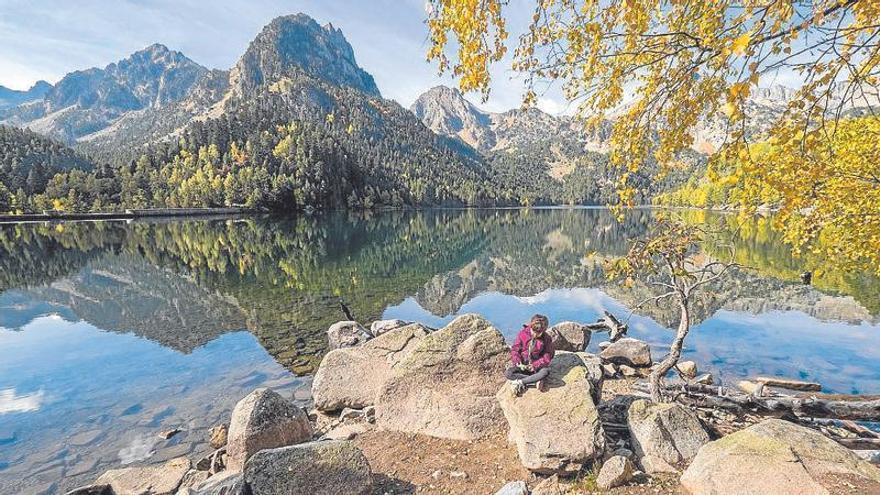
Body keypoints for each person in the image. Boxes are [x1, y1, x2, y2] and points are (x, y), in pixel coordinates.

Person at [505, 314, 554, 396]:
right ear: (531, 326)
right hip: (523, 366)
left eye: (539, 333)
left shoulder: (546, 339)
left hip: (536, 368)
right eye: (533, 332)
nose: (535, 335)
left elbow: (547, 357)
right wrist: (517, 361)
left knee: (545, 372)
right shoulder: (522, 334)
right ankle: (534, 380)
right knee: (508, 373)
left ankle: (521, 382)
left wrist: (535, 365)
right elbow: (515, 349)